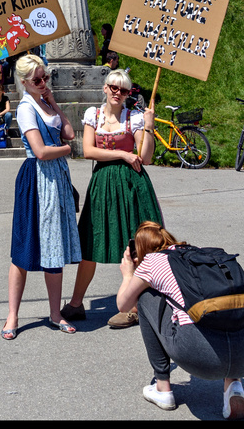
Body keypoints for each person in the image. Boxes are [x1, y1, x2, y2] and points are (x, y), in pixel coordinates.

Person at [116, 221, 244, 418]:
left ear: (140, 251)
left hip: (202, 358)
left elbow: (124, 306)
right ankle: (234, 385)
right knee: (225, 308)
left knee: (144, 298)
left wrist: (128, 274)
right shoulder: (202, 255)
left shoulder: (151, 261)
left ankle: (162, 387)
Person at [60, 68, 161, 328]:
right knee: (90, 244)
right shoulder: (93, 115)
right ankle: (76, 303)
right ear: (105, 88)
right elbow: (88, 150)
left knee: (136, 245)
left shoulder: (135, 117)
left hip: (132, 186)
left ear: (128, 94)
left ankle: (135, 307)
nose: (118, 93)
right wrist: (123, 154)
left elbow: (146, 157)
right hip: (103, 185)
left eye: (123, 89)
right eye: (113, 87)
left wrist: (148, 128)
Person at [2, 53, 81, 339]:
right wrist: (66, 152)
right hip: (36, 178)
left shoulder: (45, 102)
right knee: (24, 247)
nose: (43, 82)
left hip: (56, 179)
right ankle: (12, 315)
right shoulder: (25, 108)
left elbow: (70, 133)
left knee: (55, 245)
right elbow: (41, 151)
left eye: (45, 77)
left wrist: (54, 102)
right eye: (37, 79)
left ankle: (55, 313)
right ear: (24, 82)